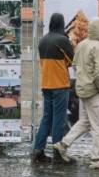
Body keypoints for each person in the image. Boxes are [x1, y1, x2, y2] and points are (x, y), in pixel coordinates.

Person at [52, 17, 99, 169]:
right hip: (94, 91)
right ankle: (97, 158)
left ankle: (63, 144)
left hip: (82, 89)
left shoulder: (81, 44)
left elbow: (75, 65)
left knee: (85, 122)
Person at [32, 12, 74, 163]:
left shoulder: (43, 40)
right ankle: (58, 153)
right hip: (60, 85)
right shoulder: (63, 40)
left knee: (46, 118)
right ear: (62, 24)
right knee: (58, 120)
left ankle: (38, 150)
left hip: (46, 84)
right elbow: (71, 61)